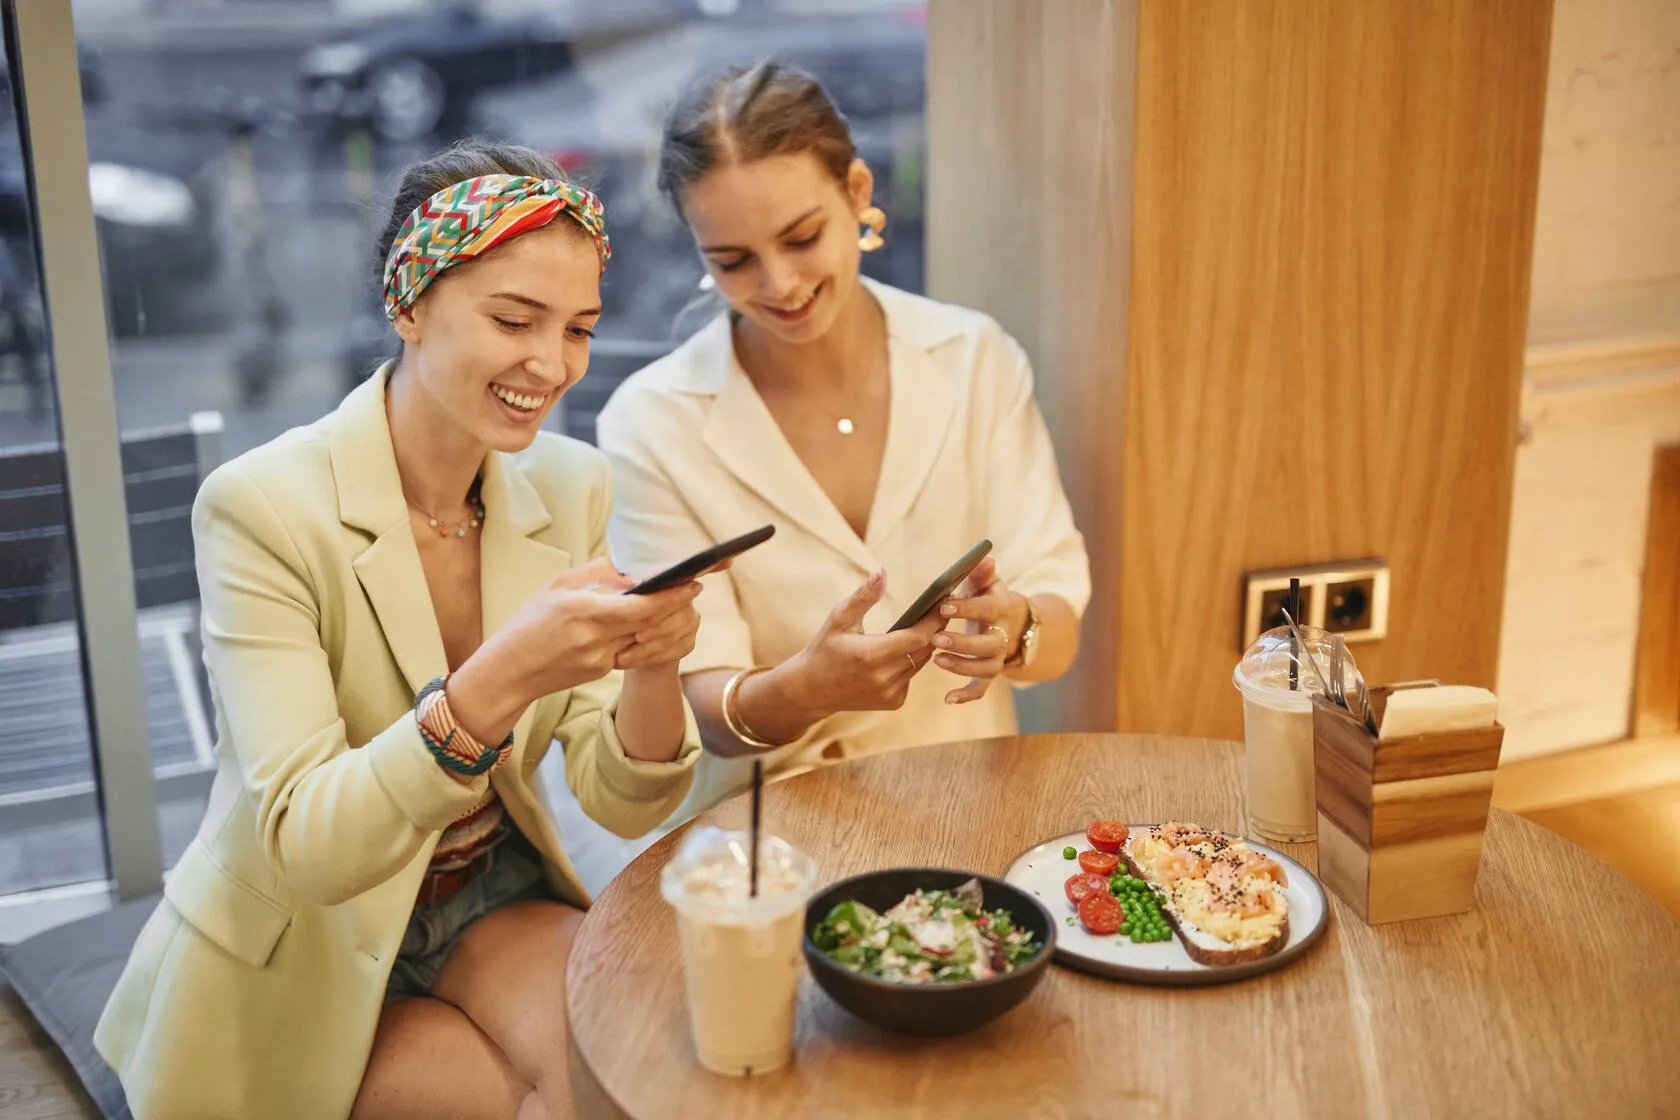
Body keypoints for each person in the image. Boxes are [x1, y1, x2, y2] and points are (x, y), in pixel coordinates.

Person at [94, 140, 704, 1120]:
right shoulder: (261, 508)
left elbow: (619, 795)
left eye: (580, 328)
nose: (552, 365)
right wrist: (496, 680)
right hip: (305, 936)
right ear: (408, 305)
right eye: (514, 318)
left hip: (479, 891)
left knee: (630, 1085)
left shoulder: (569, 482)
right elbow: (310, 845)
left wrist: (657, 668)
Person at [597, 63, 1091, 816]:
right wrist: (804, 689)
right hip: (770, 841)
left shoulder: (974, 359)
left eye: (802, 237)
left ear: (857, 192)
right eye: (731, 261)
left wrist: (1017, 628)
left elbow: (1058, 620)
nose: (779, 284)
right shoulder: (653, 422)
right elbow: (700, 707)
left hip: (975, 808)